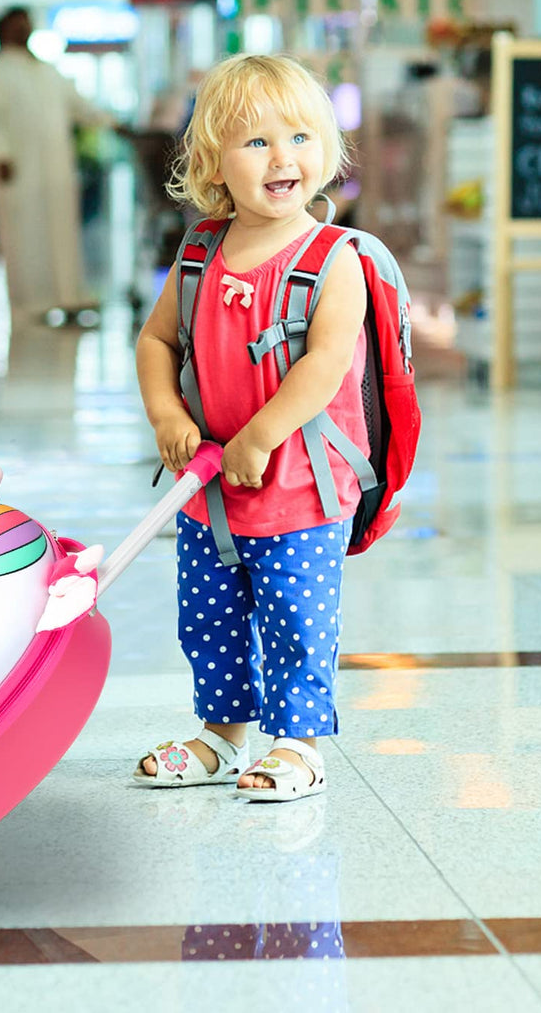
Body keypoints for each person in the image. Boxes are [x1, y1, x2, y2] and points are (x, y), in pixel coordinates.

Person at [132, 53, 367, 802]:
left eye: (300, 136)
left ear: (327, 149)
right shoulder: (200, 251)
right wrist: (168, 414)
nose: (283, 157)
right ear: (213, 163)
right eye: (256, 142)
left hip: (300, 483)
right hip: (210, 489)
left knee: (297, 618)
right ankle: (222, 738)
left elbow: (326, 363)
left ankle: (299, 744)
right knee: (211, 616)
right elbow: (156, 341)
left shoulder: (334, 259)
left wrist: (263, 434)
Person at [0, 6, 114, 322]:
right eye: (17, 24)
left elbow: (79, 105)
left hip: (56, 169)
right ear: (3, 30)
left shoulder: (47, 70)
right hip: (19, 170)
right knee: (24, 235)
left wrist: (111, 122)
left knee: (62, 232)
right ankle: (30, 304)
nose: (24, 29)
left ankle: (67, 295)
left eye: (27, 23)